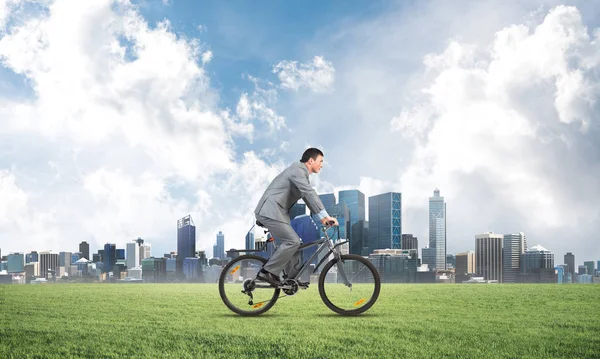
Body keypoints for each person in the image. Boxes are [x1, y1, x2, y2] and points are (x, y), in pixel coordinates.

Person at [254, 148, 339, 287]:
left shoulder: (301, 174)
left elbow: (306, 197)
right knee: (292, 241)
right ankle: (266, 272)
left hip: (277, 213)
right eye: (321, 161)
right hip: (270, 211)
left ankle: (291, 279)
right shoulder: (297, 170)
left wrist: (322, 218)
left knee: (295, 243)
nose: (322, 165)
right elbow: (309, 192)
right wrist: (325, 215)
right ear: (311, 160)